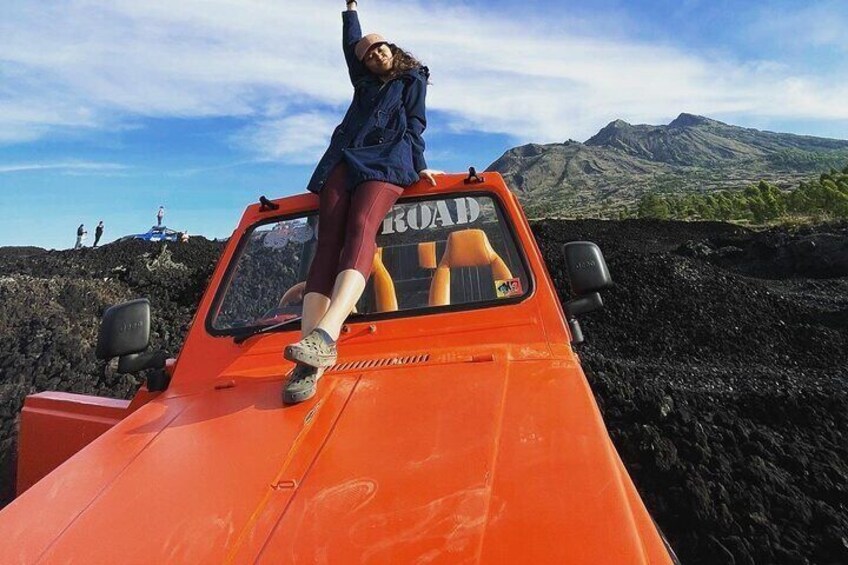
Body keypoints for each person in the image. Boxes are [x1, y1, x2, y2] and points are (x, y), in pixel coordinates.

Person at [282, 0, 439, 404]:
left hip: (389, 160)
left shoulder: (411, 79)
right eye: (368, 54)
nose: (376, 55)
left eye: (380, 48)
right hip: (347, 158)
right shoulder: (364, 83)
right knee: (326, 244)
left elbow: (416, 124)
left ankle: (326, 334)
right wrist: (350, 9)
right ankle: (307, 364)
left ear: (393, 48)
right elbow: (351, 42)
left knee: (360, 228)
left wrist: (419, 164)